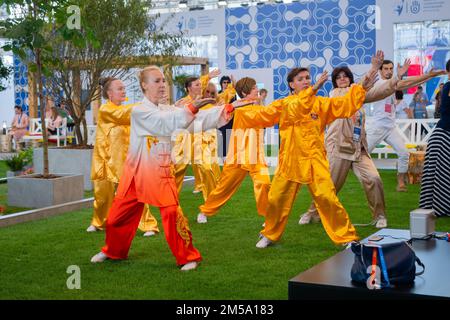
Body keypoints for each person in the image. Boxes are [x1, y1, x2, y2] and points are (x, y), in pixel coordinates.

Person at [90, 66, 248, 270]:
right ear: (144, 85)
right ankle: (113, 251)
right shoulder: (139, 111)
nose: (163, 85)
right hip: (135, 171)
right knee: (116, 218)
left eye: (163, 80)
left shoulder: (170, 110)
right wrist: (191, 109)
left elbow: (194, 123)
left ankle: (188, 256)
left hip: (159, 170)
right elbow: (162, 124)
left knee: (173, 214)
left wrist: (228, 108)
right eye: (157, 81)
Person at [256, 67, 378, 248]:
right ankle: (270, 234)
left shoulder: (321, 103)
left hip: (315, 159)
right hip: (291, 160)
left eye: (307, 78)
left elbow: (344, 105)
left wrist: (363, 85)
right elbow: (296, 109)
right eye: (300, 79)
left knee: (327, 197)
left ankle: (346, 237)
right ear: (291, 84)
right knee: (277, 199)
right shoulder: (284, 104)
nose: (306, 81)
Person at [197, 77, 276, 224]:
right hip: (237, 156)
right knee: (223, 188)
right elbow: (223, 122)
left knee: (264, 183)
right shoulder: (237, 109)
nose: (257, 90)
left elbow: (269, 117)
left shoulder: (259, 108)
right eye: (254, 88)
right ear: (245, 93)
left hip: (256, 156)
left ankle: (268, 218)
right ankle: (205, 211)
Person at [88, 77, 160, 237]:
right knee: (102, 196)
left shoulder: (125, 110)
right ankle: (99, 222)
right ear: (109, 93)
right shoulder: (105, 110)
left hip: (124, 161)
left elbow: (137, 120)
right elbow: (124, 114)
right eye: (119, 88)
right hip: (104, 161)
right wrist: (147, 103)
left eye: (123, 88)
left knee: (134, 193)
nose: (123, 91)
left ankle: (148, 225)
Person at [366, 59, 446, 192]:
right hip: (377, 126)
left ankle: (401, 183)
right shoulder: (380, 83)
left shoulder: (393, 83)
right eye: (386, 69)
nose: (389, 71)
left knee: (403, 153)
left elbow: (407, 83)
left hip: (390, 127)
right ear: (380, 71)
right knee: (363, 155)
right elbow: (405, 83)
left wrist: (428, 76)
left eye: (391, 68)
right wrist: (428, 76)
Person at [420, 59, 450, 217]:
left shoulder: (446, 87)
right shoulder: (448, 87)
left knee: (439, 174)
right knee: (442, 175)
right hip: (444, 136)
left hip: (442, 134)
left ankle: (437, 206)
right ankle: (440, 207)